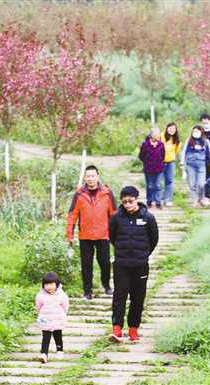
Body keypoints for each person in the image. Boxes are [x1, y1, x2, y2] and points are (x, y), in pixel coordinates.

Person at [108, 186, 159, 343]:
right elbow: (112, 237)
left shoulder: (148, 218)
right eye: (124, 202)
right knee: (119, 296)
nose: (128, 204)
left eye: (130, 201)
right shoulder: (116, 217)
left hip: (140, 264)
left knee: (138, 298)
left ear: (137, 199)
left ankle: (133, 330)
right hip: (121, 264)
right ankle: (117, 329)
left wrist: (143, 254)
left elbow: (153, 239)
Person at [67, 165, 117, 300]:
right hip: (85, 236)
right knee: (86, 265)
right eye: (88, 176)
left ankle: (106, 285)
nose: (90, 179)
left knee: (105, 262)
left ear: (97, 176)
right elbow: (72, 214)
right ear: (84, 177)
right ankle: (87, 291)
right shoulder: (79, 194)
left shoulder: (107, 193)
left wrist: (117, 234)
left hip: (103, 234)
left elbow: (114, 214)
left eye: (93, 176)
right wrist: (70, 235)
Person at [180, 125, 210, 208]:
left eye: (197, 131)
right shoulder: (189, 141)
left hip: (201, 165)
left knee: (201, 184)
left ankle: (201, 198)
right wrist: (182, 162)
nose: (195, 133)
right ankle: (194, 201)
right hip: (190, 165)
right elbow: (184, 152)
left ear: (201, 132)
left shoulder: (206, 141)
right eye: (194, 131)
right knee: (192, 184)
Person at [36, 272, 69, 364]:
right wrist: (41, 316)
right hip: (45, 319)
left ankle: (59, 350)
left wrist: (62, 316)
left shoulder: (62, 295)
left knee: (57, 335)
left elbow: (65, 306)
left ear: (57, 285)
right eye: (47, 284)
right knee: (45, 337)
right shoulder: (40, 295)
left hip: (57, 319)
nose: (49, 286)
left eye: (51, 284)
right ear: (43, 285)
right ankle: (44, 354)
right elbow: (38, 307)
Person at [138, 127, 165, 209]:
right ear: (151, 135)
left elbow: (163, 155)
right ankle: (149, 201)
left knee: (157, 185)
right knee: (149, 185)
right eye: (156, 134)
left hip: (159, 168)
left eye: (158, 134)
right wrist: (146, 161)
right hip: (148, 168)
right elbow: (141, 156)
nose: (157, 136)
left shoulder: (161, 144)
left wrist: (159, 161)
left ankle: (158, 202)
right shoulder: (145, 144)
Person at [160, 122, 181, 207]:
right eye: (170, 128)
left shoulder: (176, 139)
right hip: (160, 161)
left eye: (174, 129)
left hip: (171, 162)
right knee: (158, 181)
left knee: (169, 181)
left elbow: (176, 151)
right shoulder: (161, 136)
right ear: (167, 128)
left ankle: (167, 199)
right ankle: (158, 198)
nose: (172, 130)